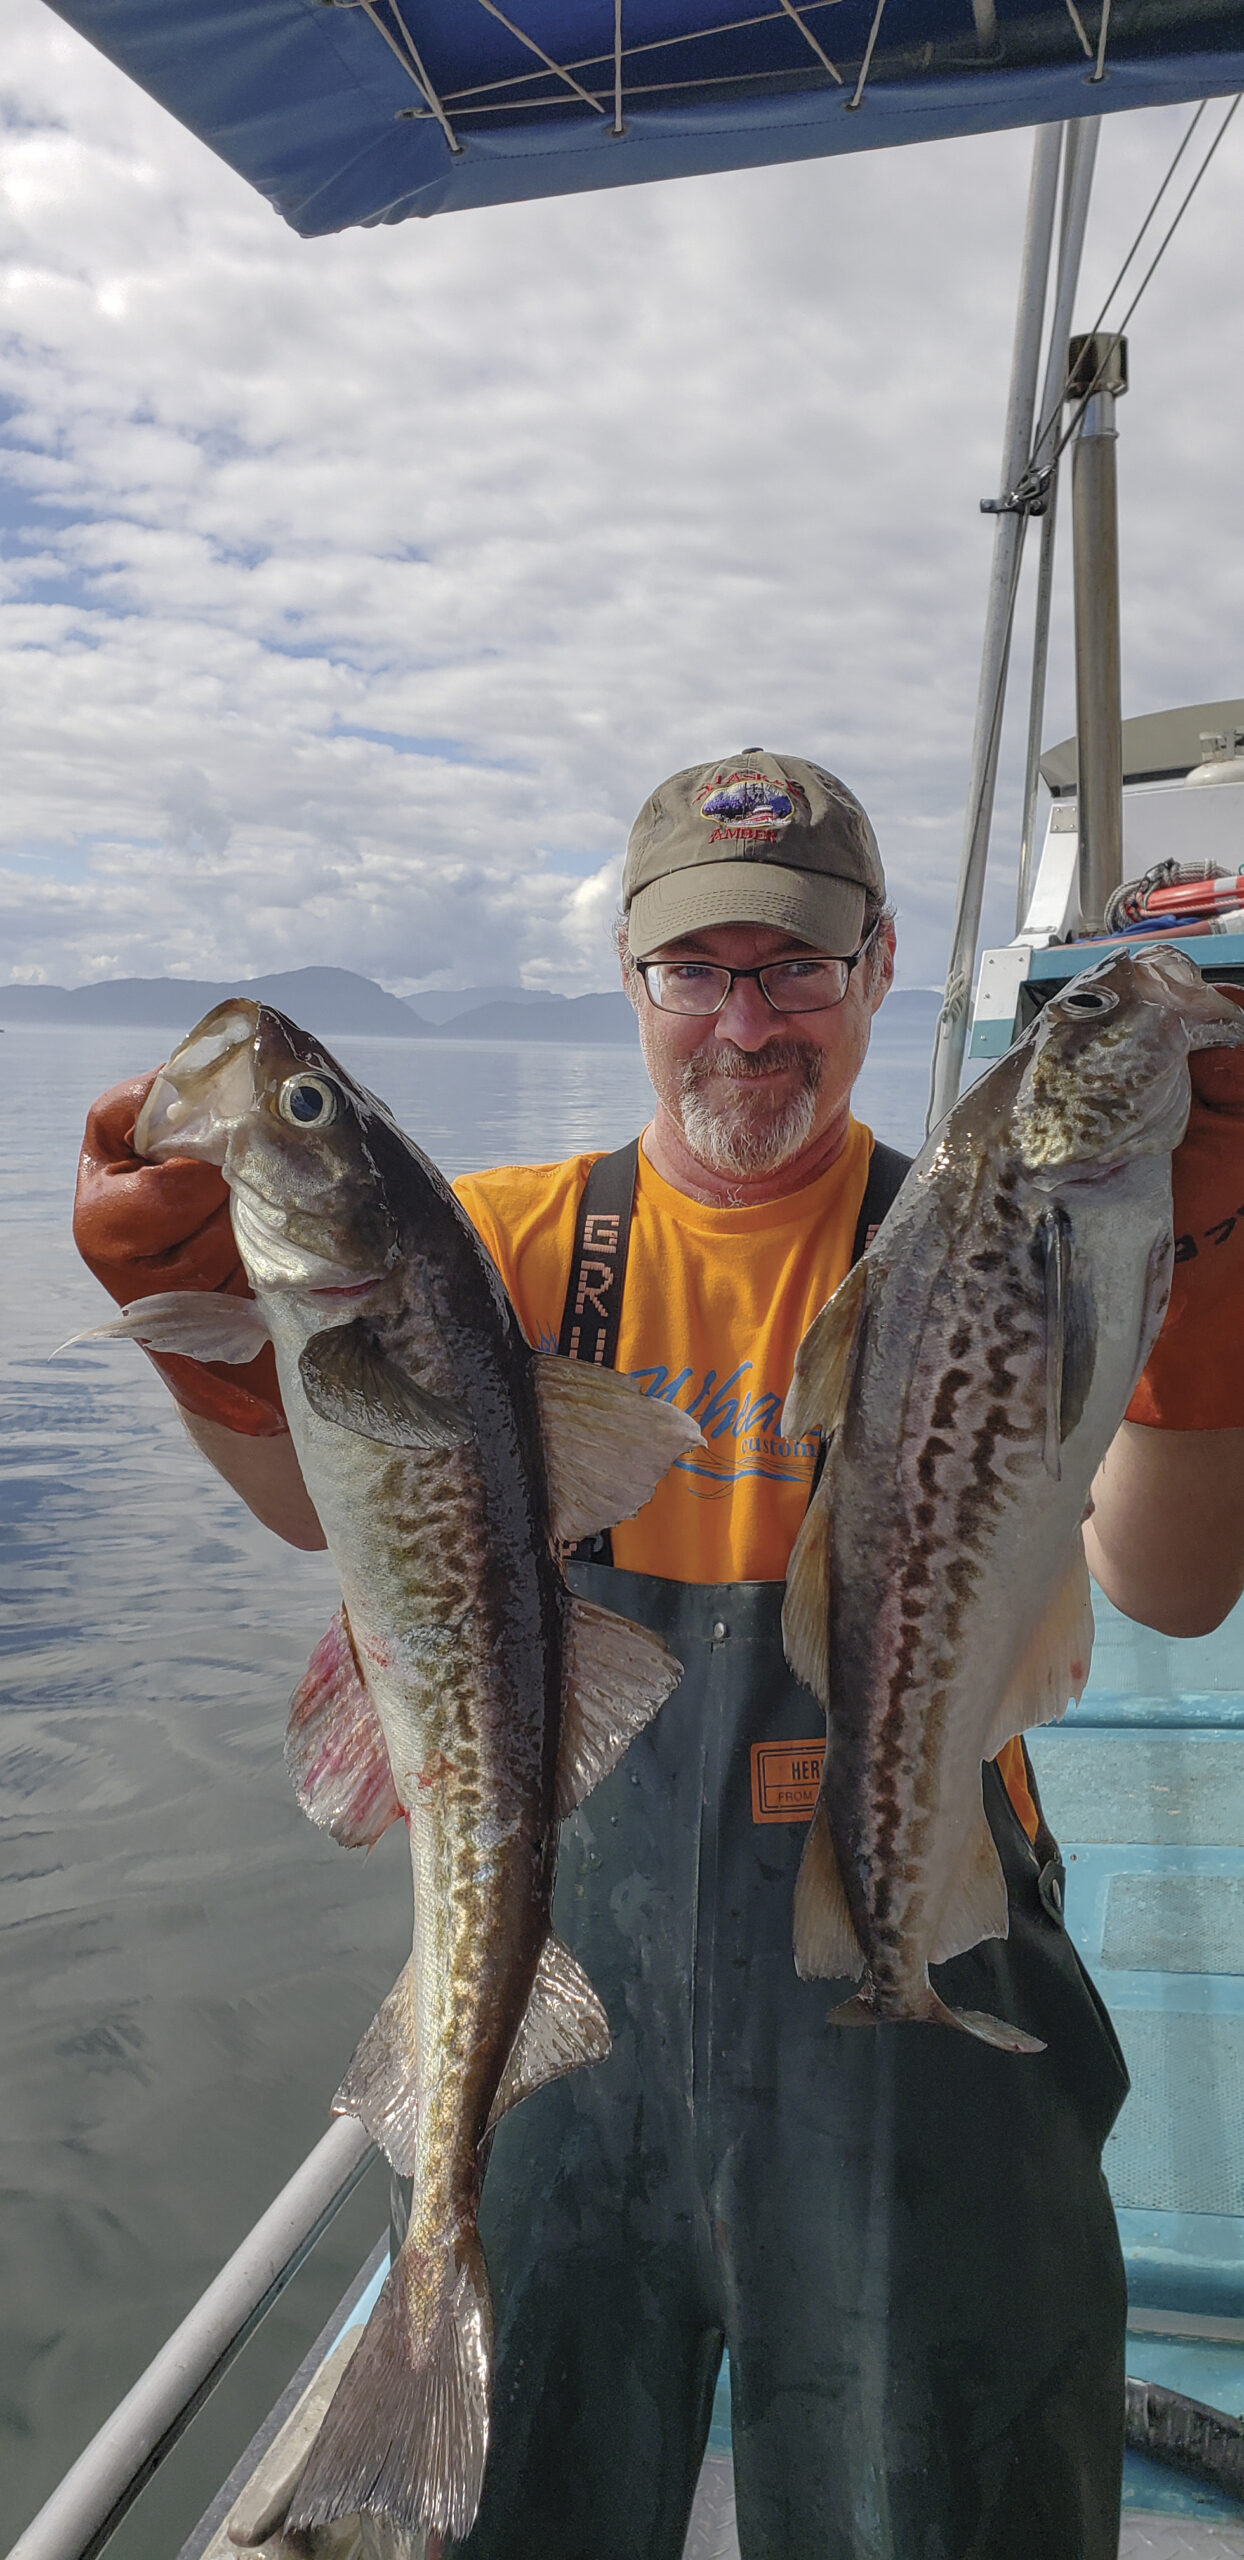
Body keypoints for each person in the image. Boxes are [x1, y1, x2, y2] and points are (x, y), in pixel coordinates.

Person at [71, 749, 1244, 2560]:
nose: (747, 1024)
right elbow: (335, 1517)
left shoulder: (981, 1240)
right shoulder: (513, 1246)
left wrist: (1193, 1311)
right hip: (575, 2027)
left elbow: (1167, 1591)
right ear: (632, 983)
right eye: (698, 971)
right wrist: (217, 1356)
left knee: (931, 2501)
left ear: (877, 973)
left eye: (796, 967)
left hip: (908, 1988)